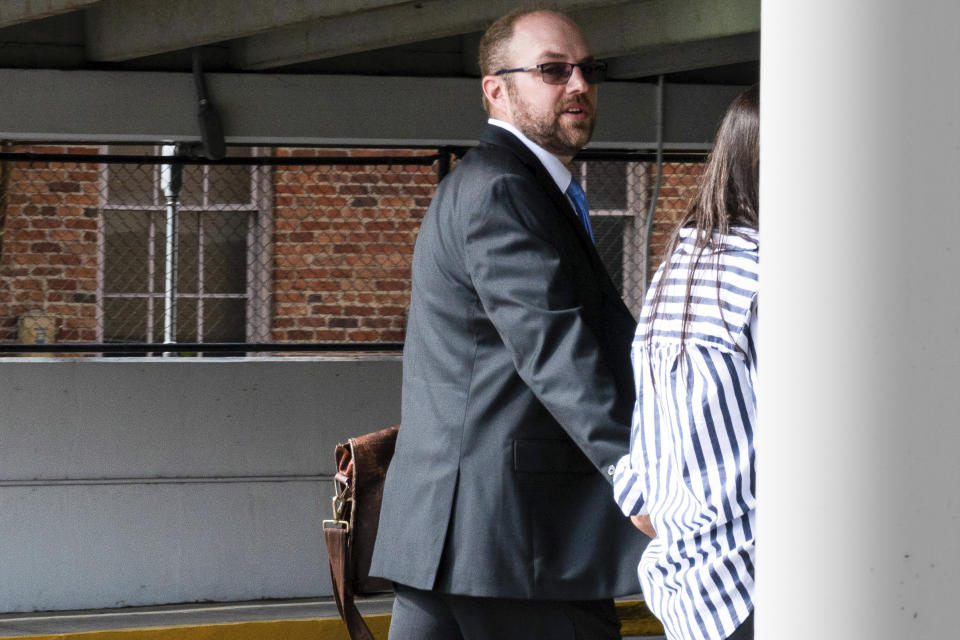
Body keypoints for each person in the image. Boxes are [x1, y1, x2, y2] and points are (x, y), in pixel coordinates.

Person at [369, 7, 648, 639]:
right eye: (553, 70)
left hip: (455, 536)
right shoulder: (503, 188)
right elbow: (555, 349)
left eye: (587, 69)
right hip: (515, 543)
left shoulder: (494, 184)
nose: (578, 85)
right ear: (496, 89)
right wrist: (638, 477)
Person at [613, 84, 760, 640]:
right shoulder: (769, 276)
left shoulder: (683, 265)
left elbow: (650, 417)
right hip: (756, 577)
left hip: (691, 584)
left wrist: (639, 493)